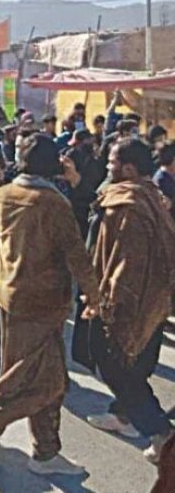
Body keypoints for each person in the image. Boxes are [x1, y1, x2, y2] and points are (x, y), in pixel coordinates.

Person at [0, 134, 101, 476]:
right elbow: (76, 254)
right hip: (43, 303)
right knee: (45, 381)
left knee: (34, 376)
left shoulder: (4, 193)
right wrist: (95, 296)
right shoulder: (53, 203)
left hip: (10, 297)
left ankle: (46, 452)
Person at [86, 140, 175, 463]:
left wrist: (111, 306)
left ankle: (162, 434)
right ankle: (127, 417)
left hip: (131, 307)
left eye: (111, 162)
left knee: (113, 365)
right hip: (152, 303)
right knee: (132, 370)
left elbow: (126, 264)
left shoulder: (128, 205)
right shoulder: (149, 195)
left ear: (128, 169)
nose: (106, 166)